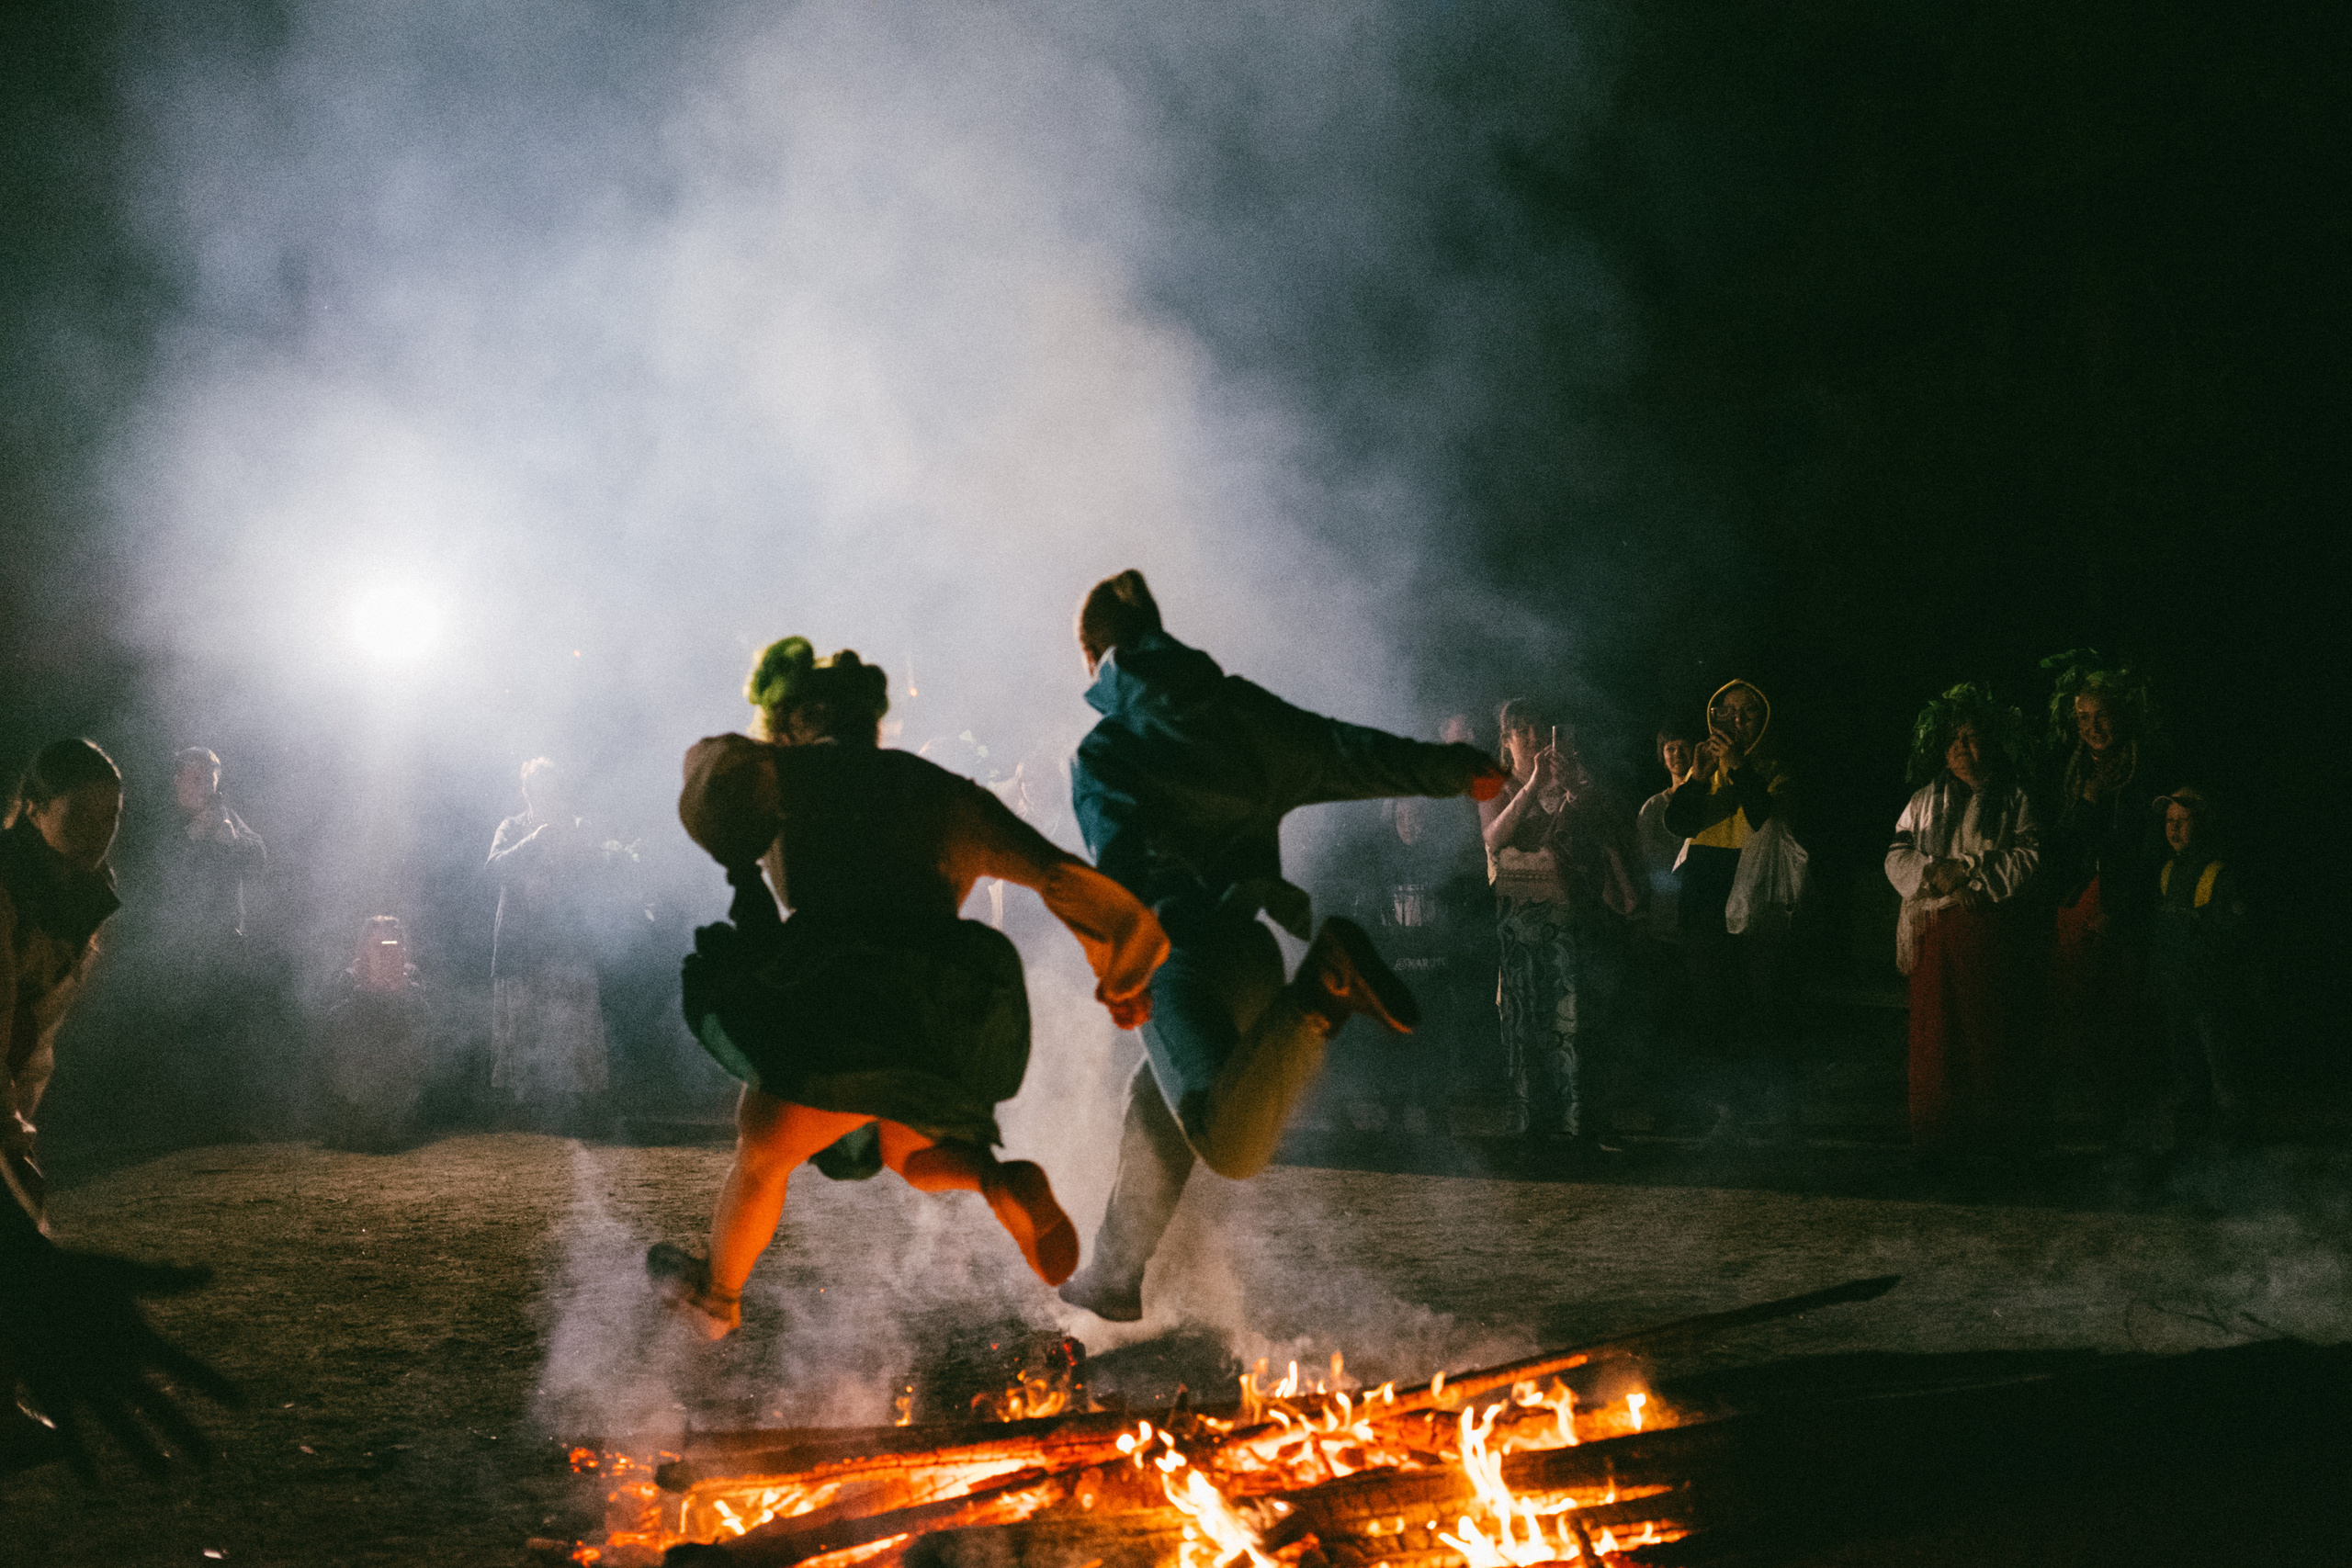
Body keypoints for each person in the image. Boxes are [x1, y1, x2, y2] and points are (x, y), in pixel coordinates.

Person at [650, 637, 1168, 1339]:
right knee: (909, 1150)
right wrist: (1124, 964)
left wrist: (751, 801)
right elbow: (1052, 872)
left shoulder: (788, 774)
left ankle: (719, 1297)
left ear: (802, 717)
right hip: (944, 1012)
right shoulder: (946, 794)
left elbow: (709, 778)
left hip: (837, 992)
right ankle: (995, 1180)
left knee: (765, 1151)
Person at [1055, 571, 1504, 1322]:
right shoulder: (1242, 713)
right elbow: (1344, 751)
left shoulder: (1107, 747)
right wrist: (1451, 770)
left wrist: (1122, 965)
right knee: (1159, 1095)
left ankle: (1320, 995)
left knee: (1228, 1145)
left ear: (1095, 653)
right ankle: (1113, 1270)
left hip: (1176, 953)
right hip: (1250, 950)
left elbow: (1119, 873)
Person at [1884, 684, 2041, 1151]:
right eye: (1953, 739)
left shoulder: (2013, 799)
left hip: (1983, 931)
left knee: (1984, 1031)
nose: (1960, 748)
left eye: (1970, 737)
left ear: (1991, 743)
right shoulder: (1923, 800)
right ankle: (1936, 1138)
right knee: (1934, 1035)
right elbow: (1897, 855)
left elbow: (2029, 856)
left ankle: (1992, 1138)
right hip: (1932, 931)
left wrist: (1974, 878)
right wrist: (1932, 874)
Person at [1477, 703, 1640, 1149]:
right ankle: (1535, 1125)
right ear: (1506, 740)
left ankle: (1586, 1123)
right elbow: (1494, 837)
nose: (1531, 736)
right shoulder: (1495, 784)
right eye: (1520, 730)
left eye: (1537, 728)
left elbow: (1607, 839)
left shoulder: (1573, 782)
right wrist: (1533, 785)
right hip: (1524, 931)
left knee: (1581, 1021)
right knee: (1529, 1019)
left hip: (1576, 925)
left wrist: (1578, 794)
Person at [1661, 680, 1805, 1142]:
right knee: (1713, 1007)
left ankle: (1780, 1108)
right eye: (1726, 713)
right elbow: (1678, 822)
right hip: (1705, 891)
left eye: (1746, 714)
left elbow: (1763, 813)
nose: (1736, 722)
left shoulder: (1776, 770)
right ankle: (1729, 1108)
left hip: (1753, 893)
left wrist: (1738, 766)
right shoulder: (1711, 772)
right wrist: (1699, 775)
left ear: (1763, 722)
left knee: (1762, 1004)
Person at [2038, 650, 2163, 1139]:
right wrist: (2086, 804)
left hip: (2122, 911)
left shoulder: (2144, 771)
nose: (2092, 727)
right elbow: (2055, 847)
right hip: (2073, 905)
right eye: (2083, 717)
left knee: (2122, 1019)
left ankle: (2122, 1126)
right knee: (2068, 1013)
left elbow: (2150, 851)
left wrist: (2121, 908)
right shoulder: (2068, 773)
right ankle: (2065, 1124)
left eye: (2101, 715)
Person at [3, 740, 125, 1219]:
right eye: (82, 814)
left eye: (111, 816)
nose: (102, 831)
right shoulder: (8, 889)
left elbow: (34, 1039)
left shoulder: (80, 897)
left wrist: (17, 1135)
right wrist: (10, 1142)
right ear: (35, 810)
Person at [486, 758, 611, 1133]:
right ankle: (525, 1104)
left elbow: (598, 873)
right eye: (534, 789)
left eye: (548, 788)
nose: (541, 796)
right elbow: (492, 868)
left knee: (575, 1027)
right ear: (526, 793)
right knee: (521, 1029)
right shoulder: (512, 827)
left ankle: (581, 1103)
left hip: (567, 946)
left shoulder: (578, 828)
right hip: (522, 946)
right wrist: (534, 841)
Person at [2145, 787, 2250, 1148]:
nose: (2173, 828)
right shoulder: (2168, 871)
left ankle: (2237, 1146)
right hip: (2178, 995)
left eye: (2183, 821)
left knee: (2224, 1074)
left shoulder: (2220, 875)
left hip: (2211, 997)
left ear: (2203, 824)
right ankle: (2191, 1145)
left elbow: (2233, 943)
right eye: (2169, 821)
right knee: (2185, 1072)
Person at [311, 915, 438, 1152]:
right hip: (361, 1083)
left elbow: (433, 1032)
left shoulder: (411, 980)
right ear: (364, 950)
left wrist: (405, 994)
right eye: (378, 947)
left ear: (403, 950)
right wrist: (364, 993)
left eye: (392, 947)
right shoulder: (350, 980)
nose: (385, 954)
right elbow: (330, 1033)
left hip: (401, 1083)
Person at [1632, 721, 1699, 1131]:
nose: (1675, 753)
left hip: (1702, 923)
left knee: (1697, 1018)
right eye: (1668, 747)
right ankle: (1666, 1106)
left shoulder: (1713, 798)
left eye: (1682, 745)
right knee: (1667, 1019)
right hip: (1664, 924)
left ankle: (1700, 1104)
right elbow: (1648, 866)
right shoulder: (1653, 808)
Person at [168, 747, 266, 943]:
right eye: (196, 779)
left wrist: (235, 841)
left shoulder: (223, 814)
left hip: (223, 939)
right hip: (172, 938)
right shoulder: (160, 815)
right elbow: (147, 870)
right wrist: (188, 837)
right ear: (177, 779)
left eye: (209, 781)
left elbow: (260, 856)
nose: (204, 788)